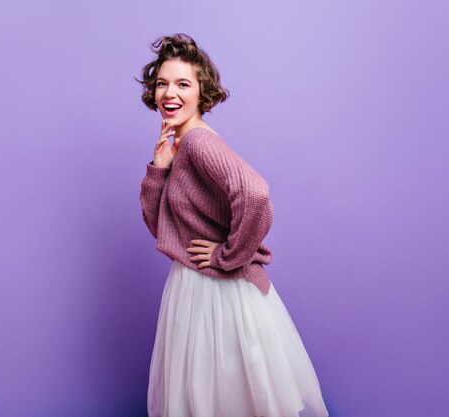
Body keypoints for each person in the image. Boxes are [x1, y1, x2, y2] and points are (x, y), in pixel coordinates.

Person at [136, 33, 330, 417]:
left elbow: (255, 194)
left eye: (182, 84)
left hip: (215, 291)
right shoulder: (182, 144)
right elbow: (162, 228)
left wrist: (228, 256)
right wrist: (159, 168)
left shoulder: (199, 144)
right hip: (196, 286)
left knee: (219, 401)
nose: (169, 93)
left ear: (202, 92)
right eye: (162, 83)